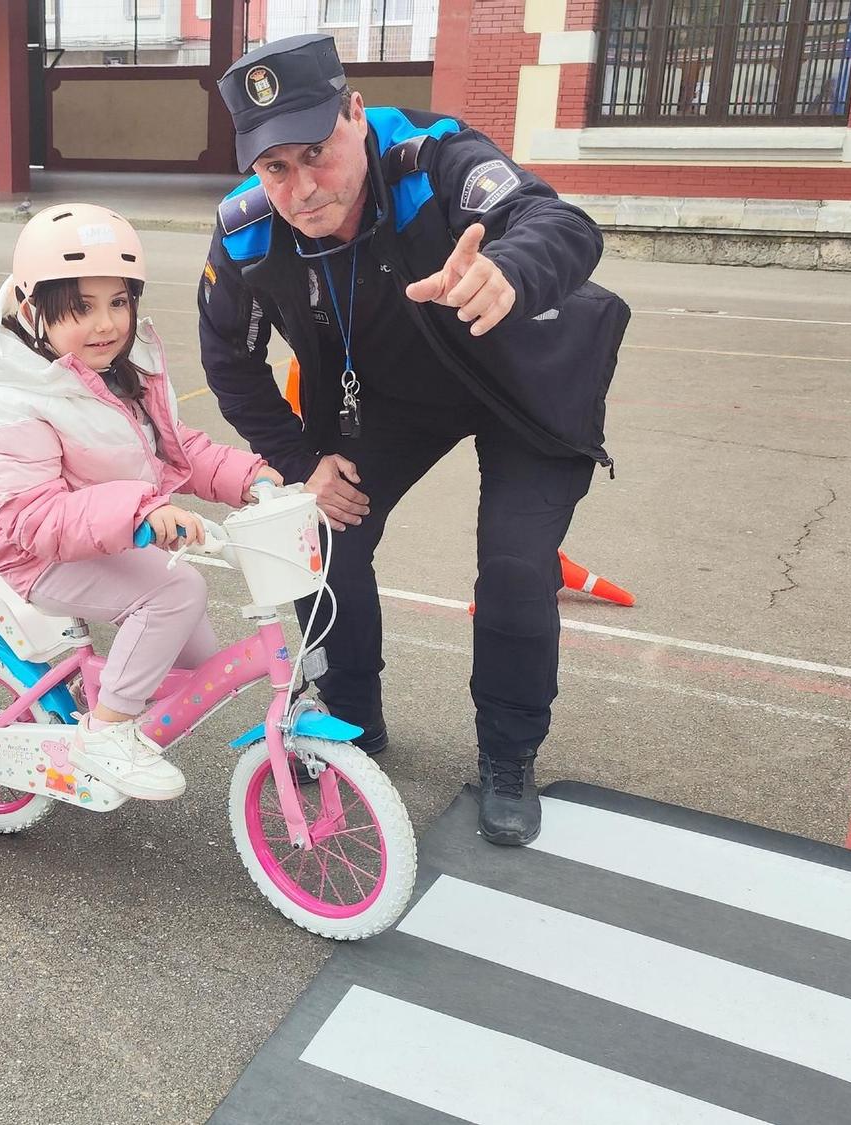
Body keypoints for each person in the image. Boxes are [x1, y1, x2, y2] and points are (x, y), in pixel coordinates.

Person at [198, 35, 629, 844]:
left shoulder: (434, 160)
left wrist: (512, 269)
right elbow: (228, 357)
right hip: (391, 398)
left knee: (511, 562)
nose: (301, 187)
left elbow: (558, 222)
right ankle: (353, 722)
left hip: (518, 382)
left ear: (355, 114)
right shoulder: (248, 229)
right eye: (275, 167)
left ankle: (509, 751)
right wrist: (300, 460)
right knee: (321, 539)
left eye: (317, 153)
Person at [0, 203, 281, 801]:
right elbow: (33, 518)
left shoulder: (116, 369)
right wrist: (141, 510)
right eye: (80, 308)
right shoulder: (9, 400)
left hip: (112, 536)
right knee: (177, 590)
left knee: (204, 664)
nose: (105, 324)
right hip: (39, 554)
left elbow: (174, 447)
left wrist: (253, 479)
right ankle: (105, 735)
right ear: (35, 311)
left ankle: (117, 696)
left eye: (118, 302)